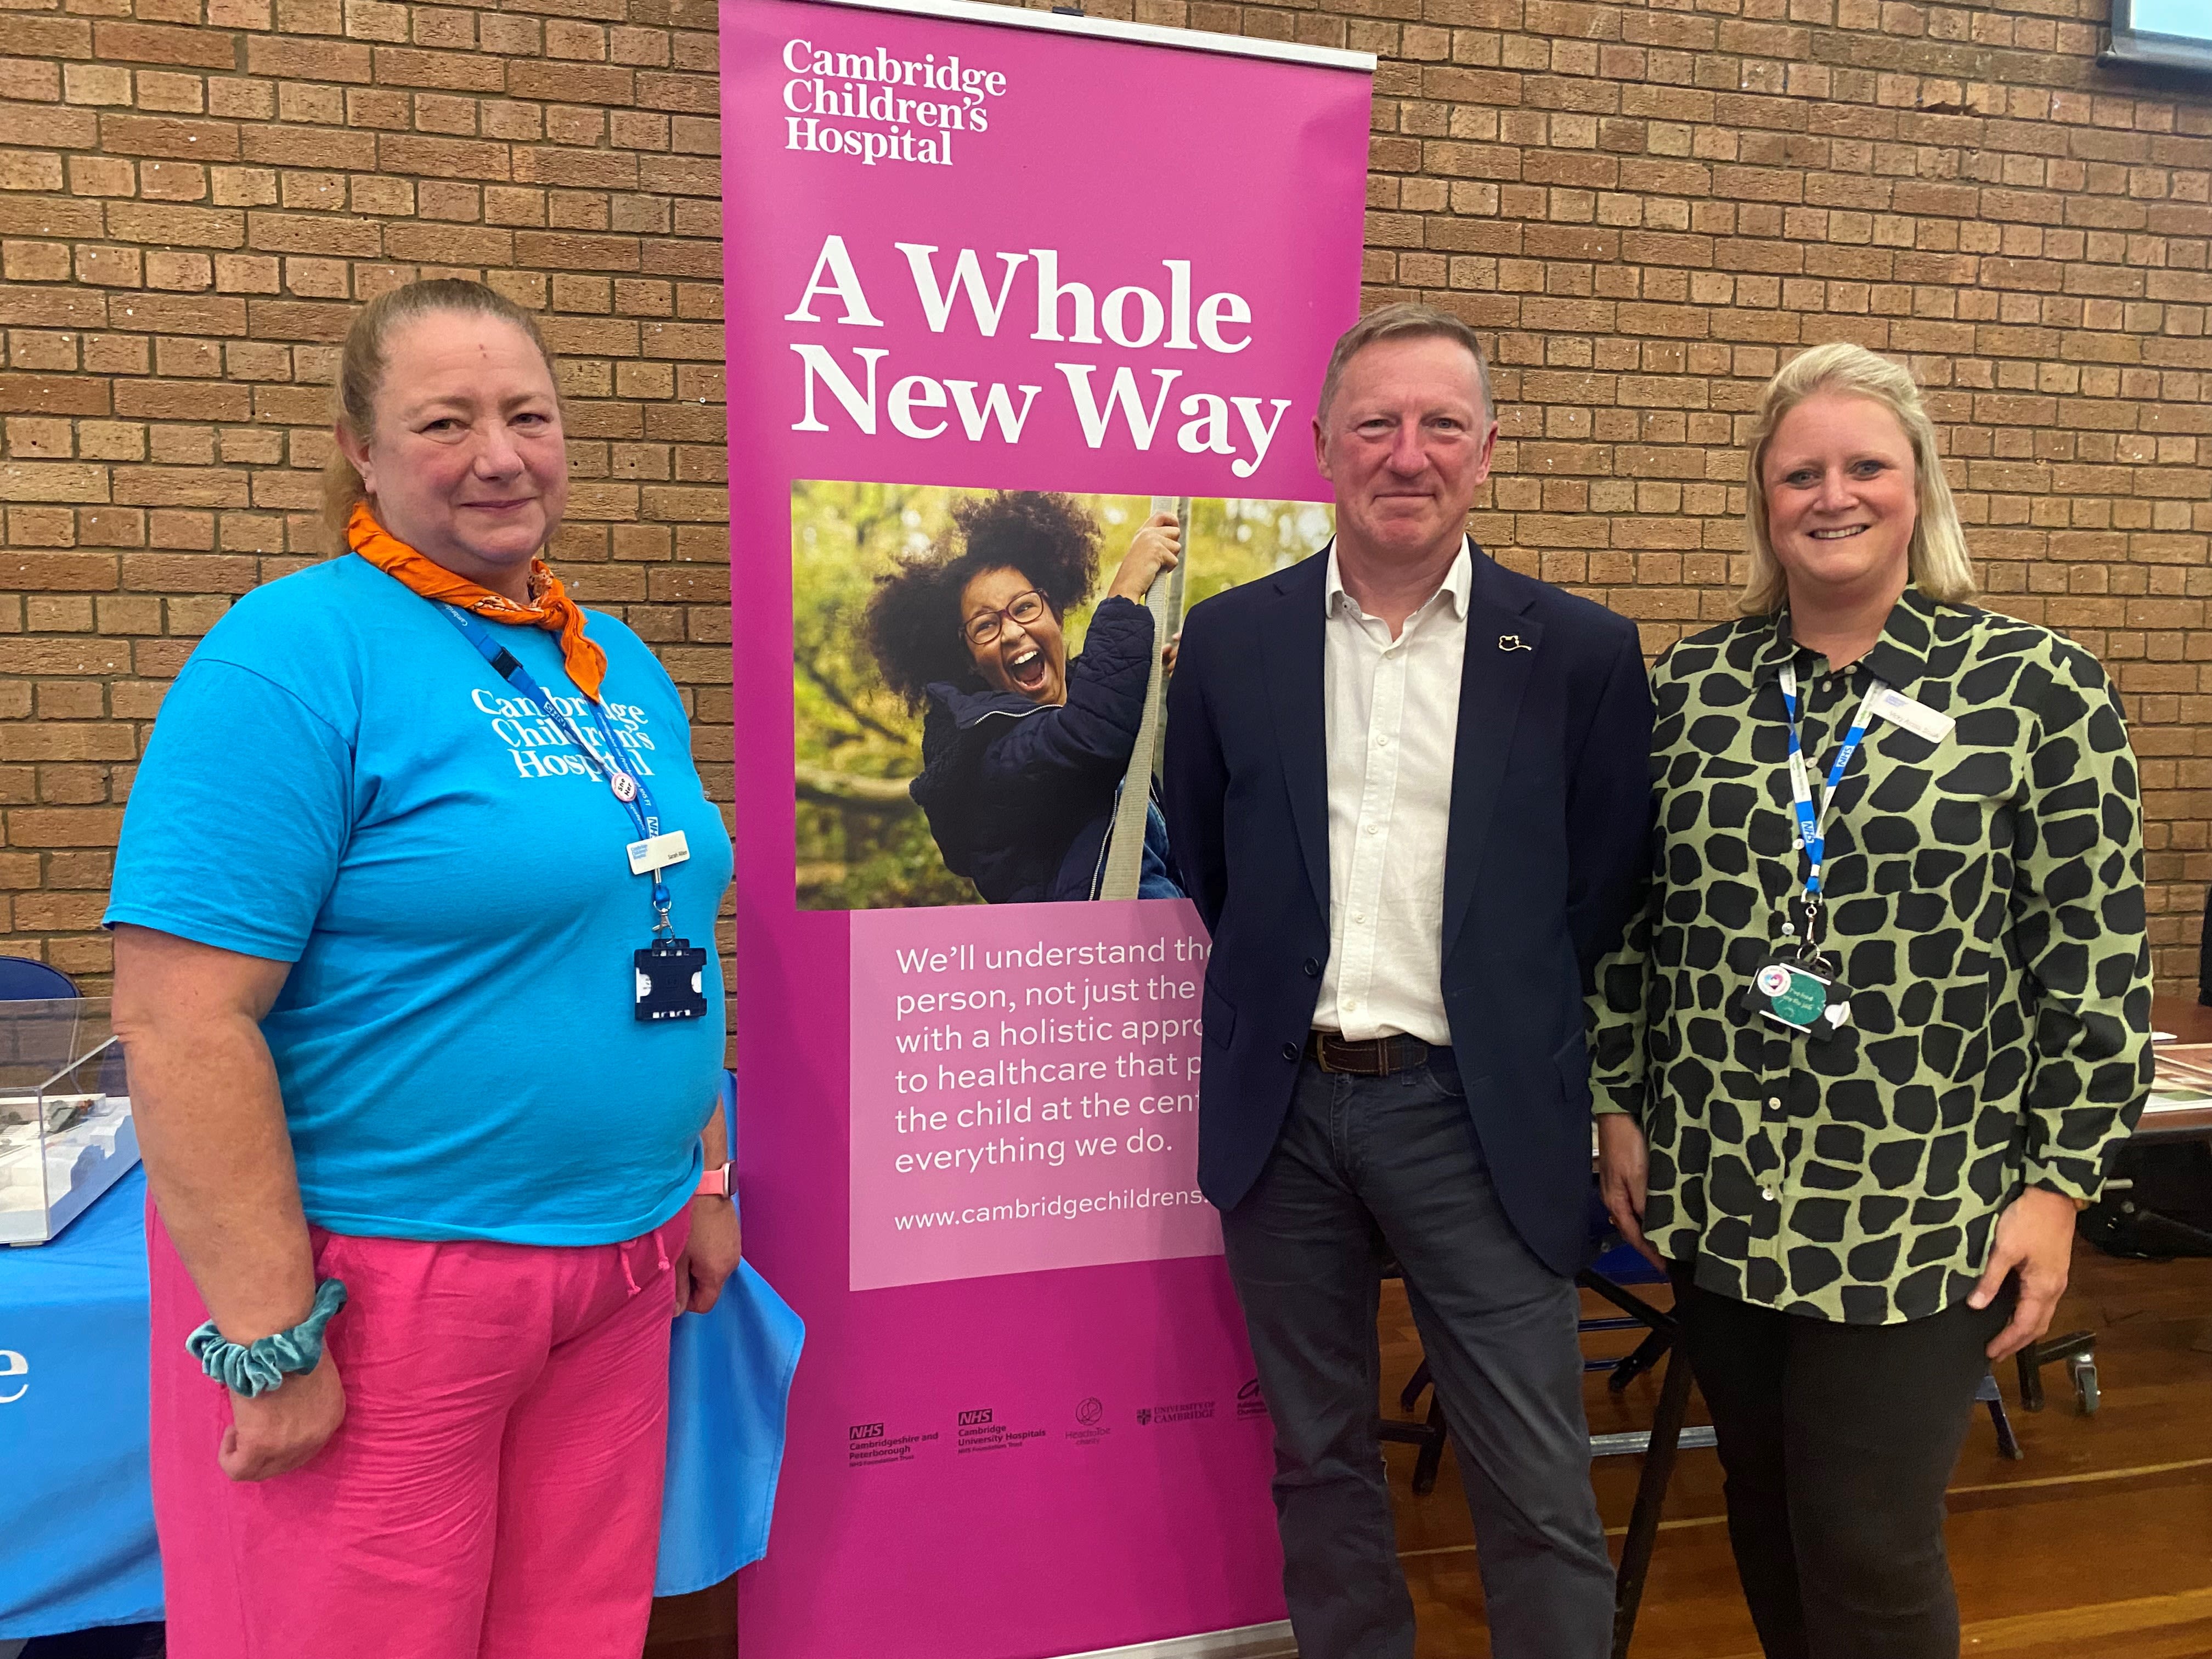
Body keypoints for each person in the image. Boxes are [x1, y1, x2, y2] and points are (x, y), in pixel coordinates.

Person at [105, 277, 741, 1659]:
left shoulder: (614, 665)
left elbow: (663, 922)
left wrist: (700, 1178)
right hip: (389, 1285)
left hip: (616, 1266)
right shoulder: (290, 658)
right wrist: (272, 1338)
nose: (499, 455)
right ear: (361, 450)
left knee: (573, 1637)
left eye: (528, 415)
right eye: (445, 422)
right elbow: (181, 1018)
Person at [1589, 341, 2151, 1659]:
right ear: (1763, 500)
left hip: (1923, 1204)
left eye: (1865, 467)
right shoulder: (1689, 690)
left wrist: (2060, 1188)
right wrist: (1620, 1100)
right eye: (1801, 472)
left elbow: (2093, 960)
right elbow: (1627, 926)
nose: (1832, 495)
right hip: (1721, 1185)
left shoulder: (2037, 690)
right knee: (1766, 1508)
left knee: (1868, 1535)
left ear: (1920, 488)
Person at [1163, 302, 1654, 1659]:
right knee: (1319, 1460)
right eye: (1376, 423)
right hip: (1286, 1115)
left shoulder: (1580, 656)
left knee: (1536, 1476)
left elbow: (1596, 890)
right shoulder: (1232, 643)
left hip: (1476, 1113)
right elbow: (1215, 862)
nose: (1408, 452)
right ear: (1321, 445)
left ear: (1487, 451)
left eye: (1442, 424)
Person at [866, 490, 1183, 904]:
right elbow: (1089, 735)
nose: (1013, 632)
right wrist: (1124, 593)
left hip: (1164, 948)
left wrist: (1175, 671)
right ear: (970, 662)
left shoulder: (1092, 699)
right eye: (985, 627)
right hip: (1083, 961)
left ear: (1056, 612)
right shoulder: (988, 749)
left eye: (1025, 607)